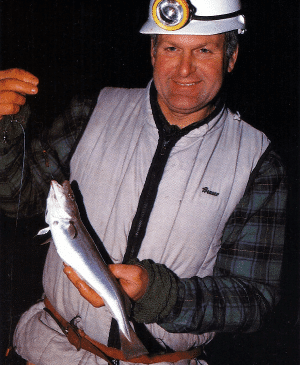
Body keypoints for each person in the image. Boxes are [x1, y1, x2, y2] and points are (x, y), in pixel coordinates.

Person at [0, 0, 287, 364]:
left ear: (230, 57)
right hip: (50, 349)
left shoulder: (258, 161)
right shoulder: (92, 111)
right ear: (152, 52)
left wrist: (161, 295)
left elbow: (254, 299)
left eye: (204, 49)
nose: (185, 68)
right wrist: (3, 134)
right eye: (171, 48)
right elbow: (17, 196)